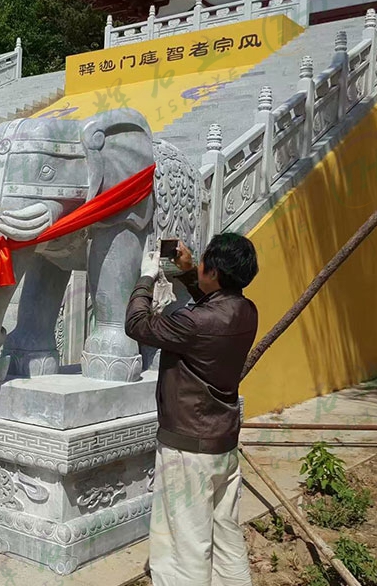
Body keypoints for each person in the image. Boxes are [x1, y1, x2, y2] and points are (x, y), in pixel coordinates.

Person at [124, 233, 260, 586]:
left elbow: (137, 325)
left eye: (203, 263)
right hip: (222, 443)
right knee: (224, 535)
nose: (197, 264)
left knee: (184, 544)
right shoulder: (245, 311)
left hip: (188, 448)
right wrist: (187, 273)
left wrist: (145, 278)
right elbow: (213, 307)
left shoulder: (195, 324)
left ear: (214, 272)